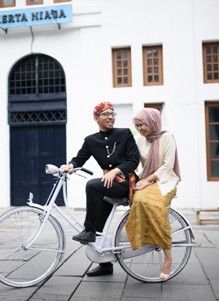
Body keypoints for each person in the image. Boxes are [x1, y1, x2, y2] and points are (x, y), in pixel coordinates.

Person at [60, 101, 139, 277]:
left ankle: (88, 230)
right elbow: (78, 159)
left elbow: (134, 160)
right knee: (100, 228)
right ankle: (105, 265)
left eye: (112, 114)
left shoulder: (124, 134)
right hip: (108, 184)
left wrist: (115, 172)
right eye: (106, 114)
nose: (111, 117)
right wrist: (69, 166)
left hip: (125, 182)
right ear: (96, 118)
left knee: (92, 185)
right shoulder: (90, 140)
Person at [125, 108, 181, 282]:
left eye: (142, 125)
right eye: (137, 125)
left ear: (152, 122)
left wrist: (147, 180)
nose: (140, 128)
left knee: (154, 206)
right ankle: (146, 236)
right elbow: (132, 159)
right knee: (139, 199)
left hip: (165, 180)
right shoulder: (140, 140)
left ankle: (168, 257)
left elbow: (168, 165)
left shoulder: (167, 137)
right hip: (147, 180)